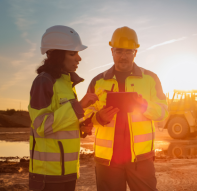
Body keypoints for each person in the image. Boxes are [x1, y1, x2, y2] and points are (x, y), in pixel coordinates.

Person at [84, 26, 168, 191]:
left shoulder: (151, 79)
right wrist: (98, 117)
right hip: (107, 161)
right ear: (112, 51)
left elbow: (163, 111)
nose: (123, 56)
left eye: (128, 52)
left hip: (141, 160)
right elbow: (84, 113)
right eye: (119, 51)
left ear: (135, 52)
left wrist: (144, 106)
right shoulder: (97, 81)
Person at [28, 25, 98, 191]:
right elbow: (41, 125)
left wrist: (82, 125)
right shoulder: (43, 81)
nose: (79, 58)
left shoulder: (67, 84)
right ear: (58, 55)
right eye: (73, 53)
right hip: (48, 175)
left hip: (68, 171)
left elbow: (63, 122)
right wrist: (78, 107)